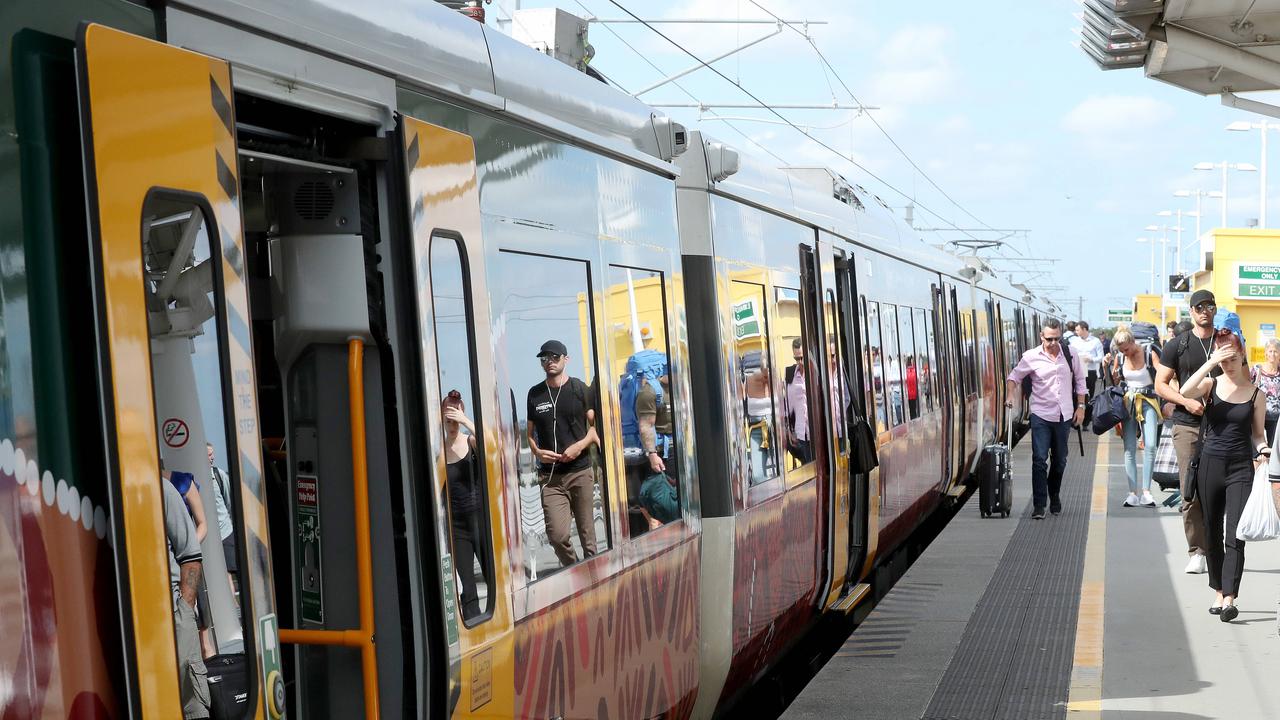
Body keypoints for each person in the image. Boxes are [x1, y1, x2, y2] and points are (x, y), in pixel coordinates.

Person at [1177, 331, 1270, 622]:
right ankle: (1217, 589)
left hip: (1241, 467)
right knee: (1211, 531)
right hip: (1210, 465)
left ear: (1242, 356)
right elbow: (1184, 391)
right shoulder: (1210, 384)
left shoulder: (1257, 395)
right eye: (1222, 359)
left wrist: (1264, 449)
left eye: (1231, 358)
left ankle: (1230, 596)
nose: (1227, 364)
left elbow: (1257, 434)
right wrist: (1209, 363)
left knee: (1235, 534)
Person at [1155, 290, 1219, 574]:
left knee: (1218, 490)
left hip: (1223, 426)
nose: (1205, 311)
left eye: (1210, 306)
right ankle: (1197, 550)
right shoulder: (1178, 345)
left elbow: (1241, 379)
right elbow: (1161, 384)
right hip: (1187, 425)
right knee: (1190, 489)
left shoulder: (1226, 341)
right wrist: (1185, 401)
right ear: (1191, 312)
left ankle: (1216, 545)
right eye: (1200, 307)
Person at [527, 340, 599, 568]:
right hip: (551, 478)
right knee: (557, 537)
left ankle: (592, 576)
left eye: (554, 357)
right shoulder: (535, 394)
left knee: (588, 536)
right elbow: (530, 435)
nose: (549, 362)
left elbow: (596, 428)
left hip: (580, 471)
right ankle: (575, 569)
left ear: (566, 359)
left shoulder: (579, 389)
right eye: (544, 358)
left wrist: (580, 445)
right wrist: (537, 451)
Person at [1005, 319, 1087, 519]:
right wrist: (1009, 395)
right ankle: (1039, 505)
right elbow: (1014, 377)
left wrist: (1081, 407)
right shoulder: (1031, 357)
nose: (1053, 343)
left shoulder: (1070, 353)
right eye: (1049, 339)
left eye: (1057, 338)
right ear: (1041, 336)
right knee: (1039, 459)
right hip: (1041, 414)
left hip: (1064, 414)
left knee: (1060, 461)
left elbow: (1080, 380)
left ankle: (1055, 494)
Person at [162, 466, 211, 719]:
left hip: (173, 608)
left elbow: (190, 555)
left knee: (191, 699)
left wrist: (183, 608)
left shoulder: (165, 491)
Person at [442, 389, 491, 618]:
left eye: (456, 420)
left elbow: (491, 446)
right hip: (458, 526)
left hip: (480, 519)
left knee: (492, 577)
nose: (453, 425)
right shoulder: (439, 451)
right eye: (448, 420)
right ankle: (474, 626)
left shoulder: (471, 441)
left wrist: (466, 421)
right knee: (467, 586)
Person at [1109, 329, 1161, 507]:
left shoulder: (1149, 353)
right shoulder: (1120, 357)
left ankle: (1146, 492)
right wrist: (1108, 368)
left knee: (1151, 445)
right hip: (1128, 401)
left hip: (1149, 401)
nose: (1125, 353)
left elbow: (1162, 376)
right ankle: (1132, 492)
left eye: (1127, 349)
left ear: (1132, 342)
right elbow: (1115, 382)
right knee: (1129, 447)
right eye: (1121, 350)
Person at [206, 443, 237, 599]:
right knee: (220, 573)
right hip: (208, 534)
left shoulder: (219, 475)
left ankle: (235, 606)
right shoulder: (195, 479)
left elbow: (229, 500)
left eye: (212, 454)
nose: (211, 458)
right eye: (208, 455)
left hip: (225, 531)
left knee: (229, 572)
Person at [743, 358, 773, 484]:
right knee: (757, 474)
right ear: (760, 371)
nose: (766, 379)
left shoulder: (774, 380)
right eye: (764, 375)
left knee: (777, 470)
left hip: (774, 428)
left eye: (768, 375)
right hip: (755, 428)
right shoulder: (748, 381)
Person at [784, 338, 813, 464]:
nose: (800, 362)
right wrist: (789, 430)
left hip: (816, 431)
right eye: (796, 359)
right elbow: (787, 405)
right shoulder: (789, 373)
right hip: (801, 433)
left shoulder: (816, 372)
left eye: (802, 358)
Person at [1250, 338, 1280, 443]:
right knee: (1257, 448)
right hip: (1257, 414)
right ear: (1266, 353)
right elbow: (1247, 388)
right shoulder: (1256, 369)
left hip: (1276, 417)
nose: (1273, 354)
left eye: (1276, 351)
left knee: (1274, 448)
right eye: (1270, 351)